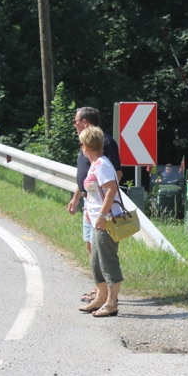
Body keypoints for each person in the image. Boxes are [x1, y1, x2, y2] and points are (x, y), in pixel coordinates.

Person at [67, 107, 122, 303]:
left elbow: (113, 178)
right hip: (90, 206)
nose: (74, 125)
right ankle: (100, 291)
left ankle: (108, 296)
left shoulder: (103, 143)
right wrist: (77, 197)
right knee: (91, 247)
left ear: (85, 122)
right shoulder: (87, 144)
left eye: (75, 121)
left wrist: (101, 207)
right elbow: (86, 176)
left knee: (104, 253)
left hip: (101, 211)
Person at [77, 126, 124, 318]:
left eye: (81, 143)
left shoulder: (103, 164)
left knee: (107, 261)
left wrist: (102, 216)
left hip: (107, 221)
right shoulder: (95, 164)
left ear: (86, 145)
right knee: (96, 261)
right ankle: (100, 297)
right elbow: (97, 193)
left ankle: (112, 303)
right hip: (96, 220)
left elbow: (111, 190)